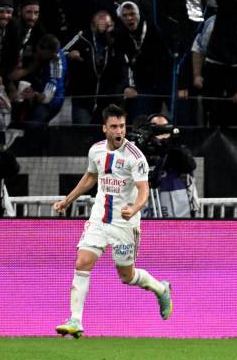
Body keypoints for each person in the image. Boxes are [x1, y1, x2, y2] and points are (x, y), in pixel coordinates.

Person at [53, 104, 172, 338]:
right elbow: (90, 177)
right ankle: (75, 321)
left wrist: (134, 208)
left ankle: (160, 288)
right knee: (82, 262)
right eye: (114, 127)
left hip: (124, 224)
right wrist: (67, 201)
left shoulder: (135, 158)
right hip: (99, 217)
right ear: (104, 128)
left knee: (126, 276)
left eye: (122, 126)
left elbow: (143, 191)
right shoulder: (96, 151)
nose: (119, 131)